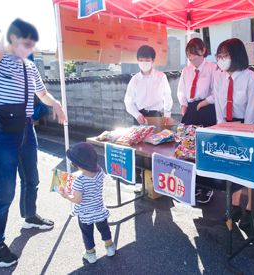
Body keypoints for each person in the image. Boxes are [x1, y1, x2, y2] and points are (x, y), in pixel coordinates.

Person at [0, 18, 66, 267]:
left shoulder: (30, 67)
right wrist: (5, 35)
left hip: (26, 129)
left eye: (31, 44)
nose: (28, 48)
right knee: (4, 192)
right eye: (24, 42)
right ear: (12, 39)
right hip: (0, 130)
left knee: (32, 178)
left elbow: (42, 93)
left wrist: (57, 103)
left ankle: (30, 216)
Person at [214, 38, 254, 227]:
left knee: (251, 171)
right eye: (219, 56)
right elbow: (219, 108)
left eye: (225, 55)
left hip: (251, 126)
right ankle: (234, 207)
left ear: (236, 55)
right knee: (231, 169)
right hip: (228, 125)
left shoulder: (251, 77)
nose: (221, 59)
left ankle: (251, 210)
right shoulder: (219, 77)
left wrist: (246, 133)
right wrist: (221, 128)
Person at [124, 45, 173, 191]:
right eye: (141, 60)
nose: (144, 62)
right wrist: (137, 114)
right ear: (137, 60)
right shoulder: (134, 80)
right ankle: (141, 182)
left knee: (157, 149)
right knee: (139, 149)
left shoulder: (161, 76)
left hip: (156, 117)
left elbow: (167, 97)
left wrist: (167, 115)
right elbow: (128, 101)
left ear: (153, 60)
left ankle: (157, 182)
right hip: (139, 117)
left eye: (147, 59)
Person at [177, 38, 220, 204]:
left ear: (203, 51)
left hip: (206, 109)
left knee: (204, 149)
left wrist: (201, 104)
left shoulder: (213, 68)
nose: (191, 57)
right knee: (187, 147)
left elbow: (217, 92)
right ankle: (192, 184)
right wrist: (183, 106)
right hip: (190, 110)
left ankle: (206, 187)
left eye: (194, 53)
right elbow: (181, 91)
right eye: (188, 54)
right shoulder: (186, 70)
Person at [62, 142, 115, 263]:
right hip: (100, 209)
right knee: (104, 229)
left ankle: (90, 255)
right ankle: (110, 247)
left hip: (85, 214)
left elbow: (77, 200)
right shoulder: (100, 172)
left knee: (87, 234)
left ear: (78, 166)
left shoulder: (79, 181)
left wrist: (67, 196)